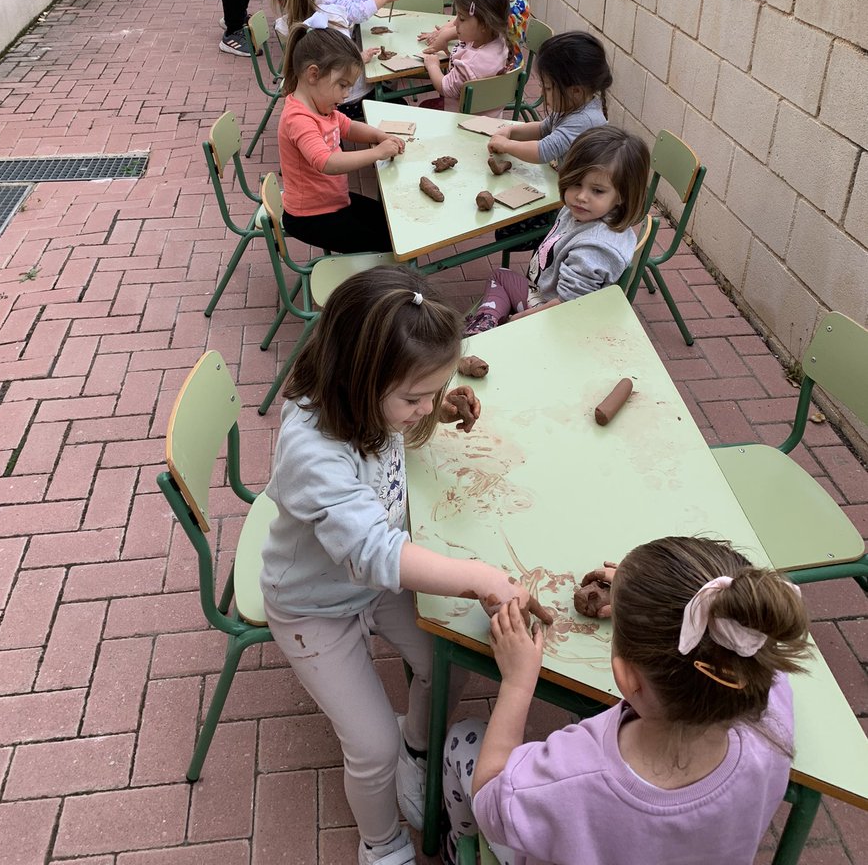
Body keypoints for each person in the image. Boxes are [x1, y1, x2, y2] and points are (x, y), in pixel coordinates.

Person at [260, 265, 553, 865]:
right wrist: (478, 578)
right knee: (368, 746)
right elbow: (373, 552)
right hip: (312, 606)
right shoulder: (312, 446)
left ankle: (417, 752)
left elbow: (379, 546)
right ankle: (382, 843)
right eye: (413, 398)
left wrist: (436, 408)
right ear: (357, 379)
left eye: (431, 391)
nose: (421, 409)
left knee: (446, 664)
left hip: (370, 585)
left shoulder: (372, 402)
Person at [442, 535, 810, 865]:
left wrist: (518, 684)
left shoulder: (572, 776)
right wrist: (651, 599)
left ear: (626, 677)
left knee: (462, 738)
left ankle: (455, 847)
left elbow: (490, 801)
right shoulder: (771, 721)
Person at [464, 126, 648, 334]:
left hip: (556, 320)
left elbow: (565, 306)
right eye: (576, 184)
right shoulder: (582, 212)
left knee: (500, 298)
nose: (581, 196)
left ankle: (486, 326)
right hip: (544, 296)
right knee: (500, 275)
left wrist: (514, 322)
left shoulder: (594, 249)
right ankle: (486, 320)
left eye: (597, 190)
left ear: (622, 195)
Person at [276, 26, 402, 252]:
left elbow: (349, 127)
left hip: (333, 202)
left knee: (392, 224)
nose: (346, 94)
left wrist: (379, 135)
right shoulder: (298, 119)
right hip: (310, 217)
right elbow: (326, 163)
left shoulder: (323, 107)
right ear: (313, 74)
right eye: (343, 85)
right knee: (387, 244)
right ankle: (371, 284)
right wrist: (377, 153)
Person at [487, 31, 611, 167]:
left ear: (576, 91)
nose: (542, 93)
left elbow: (543, 151)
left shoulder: (584, 120)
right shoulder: (572, 104)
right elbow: (542, 129)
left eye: (547, 88)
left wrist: (507, 145)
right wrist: (511, 131)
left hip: (579, 186)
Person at [422, 0, 511, 115]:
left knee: (424, 107)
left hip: (460, 122)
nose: (456, 23)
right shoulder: (498, 41)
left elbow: (444, 87)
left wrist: (432, 65)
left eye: (462, 19)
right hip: (490, 119)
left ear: (484, 24)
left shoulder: (470, 65)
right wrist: (445, 36)